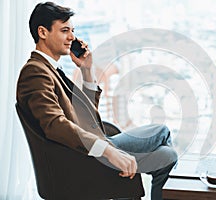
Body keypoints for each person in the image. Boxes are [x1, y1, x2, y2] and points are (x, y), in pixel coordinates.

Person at [16, 2, 177, 200]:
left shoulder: (50, 69)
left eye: (72, 31)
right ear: (42, 32)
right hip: (78, 161)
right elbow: (54, 125)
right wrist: (108, 151)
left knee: (162, 133)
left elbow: (86, 118)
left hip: (89, 145)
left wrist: (86, 70)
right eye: (65, 30)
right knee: (168, 156)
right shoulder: (35, 73)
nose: (72, 37)